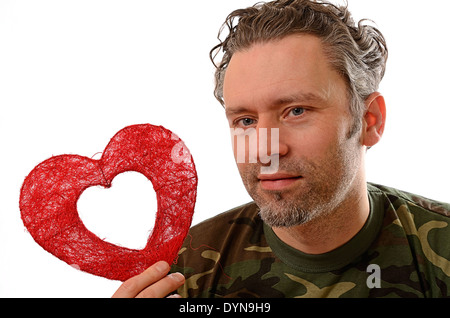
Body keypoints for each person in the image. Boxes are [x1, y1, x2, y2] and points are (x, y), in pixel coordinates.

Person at [112, 0, 450, 298]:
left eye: (296, 111)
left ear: (369, 121)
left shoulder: (441, 250)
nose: (265, 150)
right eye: (245, 121)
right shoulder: (185, 273)